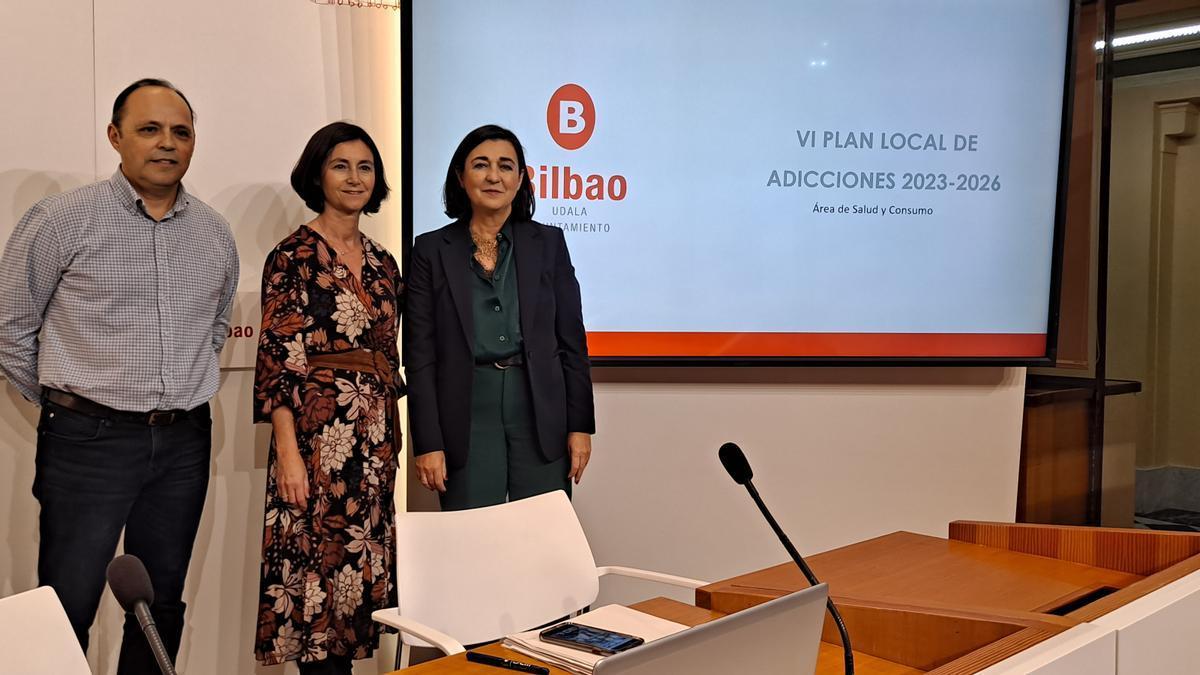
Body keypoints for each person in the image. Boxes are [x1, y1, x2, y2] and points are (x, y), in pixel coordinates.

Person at [0, 78, 239, 673]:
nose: (167, 143)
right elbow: (10, 327)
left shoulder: (214, 233)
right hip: (87, 444)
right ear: (115, 136)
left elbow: (211, 333)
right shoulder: (61, 219)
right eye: (149, 129)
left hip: (184, 441)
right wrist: (69, 403)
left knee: (160, 605)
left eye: (180, 131)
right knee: (66, 603)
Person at [253, 122, 404, 675]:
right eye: (341, 165)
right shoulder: (290, 255)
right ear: (317, 173)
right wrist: (288, 454)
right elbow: (278, 360)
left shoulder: (385, 263)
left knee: (357, 584)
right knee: (317, 583)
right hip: (318, 442)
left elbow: (390, 355)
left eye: (365, 167)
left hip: (376, 445)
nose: (354, 177)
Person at [406, 124, 595, 511]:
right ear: (460, 177)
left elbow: (572, 342)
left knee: (541, 539)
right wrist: (428, 442)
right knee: (471, 542)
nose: (494, 176)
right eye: (481, 165)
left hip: (540, 413)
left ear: (521, 178)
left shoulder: (550, 243)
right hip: (465, 415)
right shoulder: (429, 250)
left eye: (506, 166)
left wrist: (580, 426)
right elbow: (420, 355)